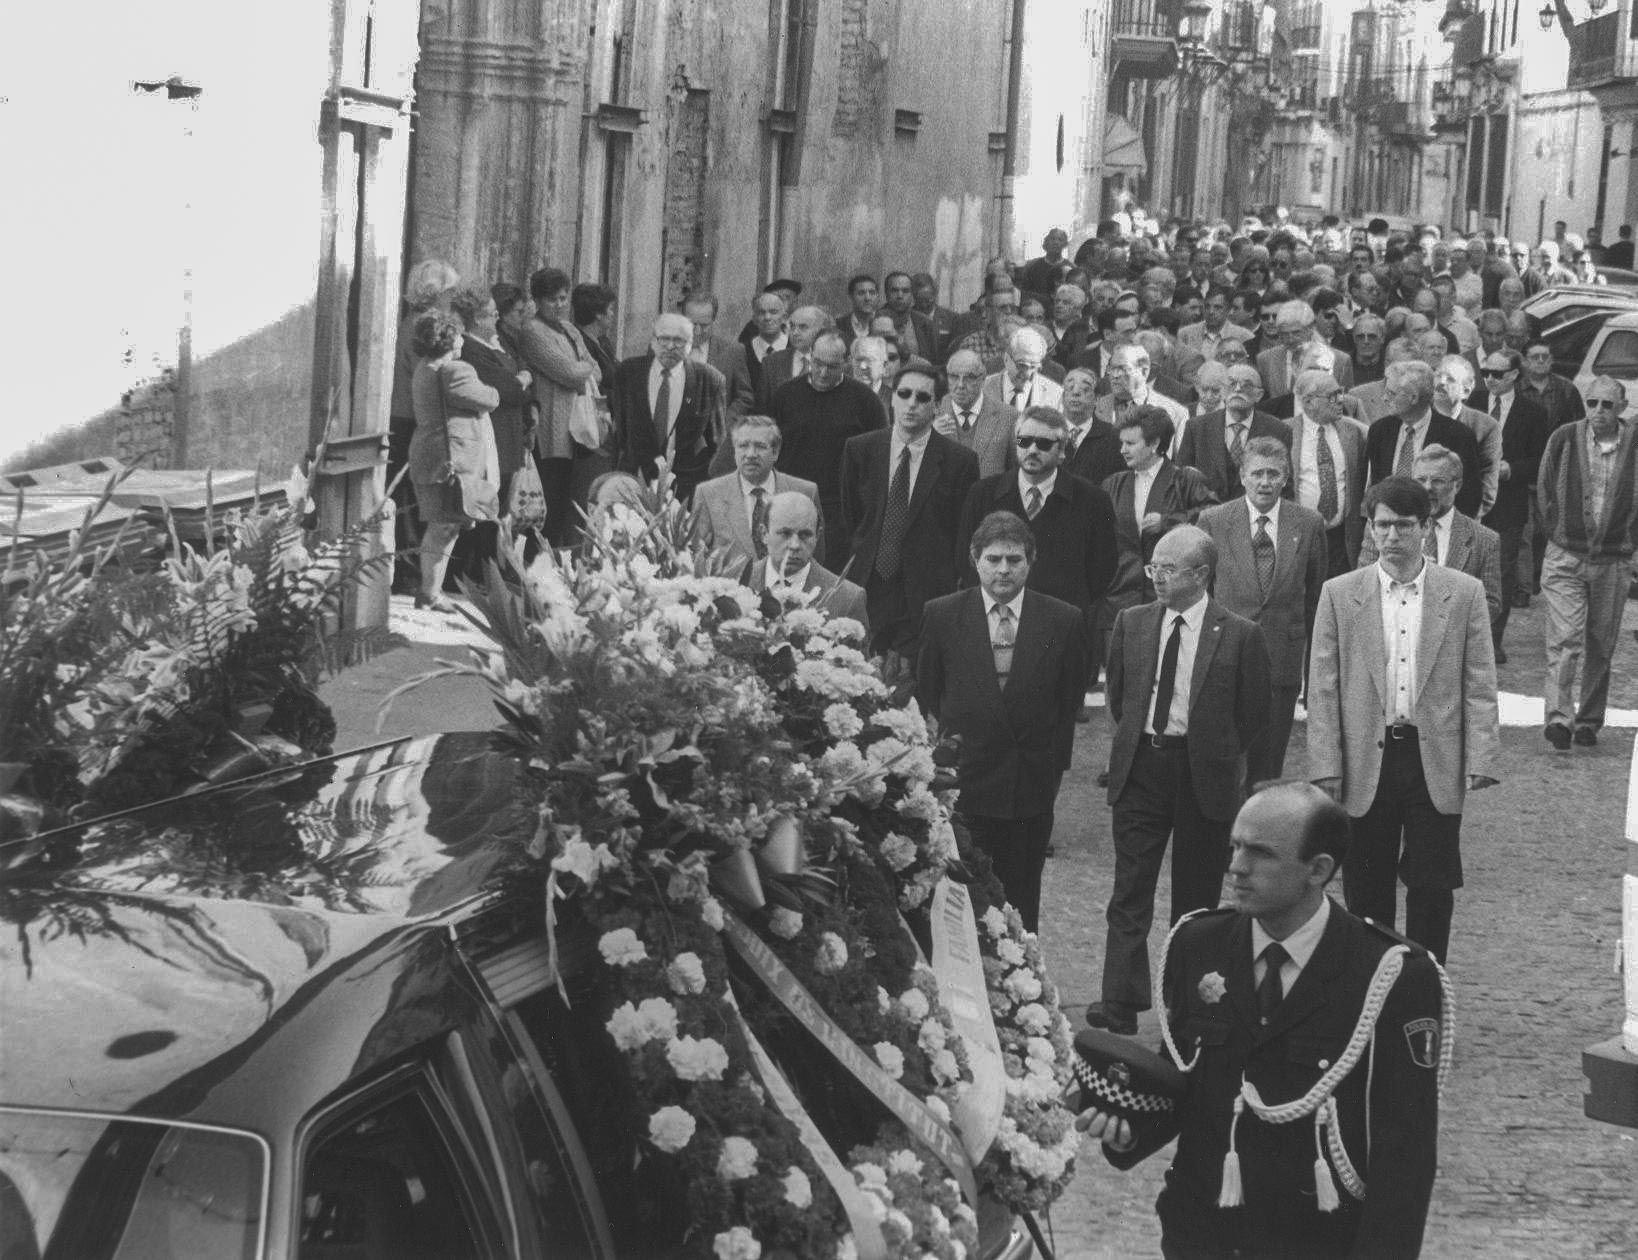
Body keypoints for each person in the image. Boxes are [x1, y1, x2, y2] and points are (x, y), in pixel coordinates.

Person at [1082, 781, 1446, 1260]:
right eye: (1235, 845)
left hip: (1316, 1243)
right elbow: (1183, 1078)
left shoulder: (1389, 973)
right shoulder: (1199, 944)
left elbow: (1405, 1158)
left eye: (1261, 853)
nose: (1236, 866)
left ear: (1318, 870)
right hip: (1203, 1235)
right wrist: (1125, 1129)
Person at [1087, 525, 1272, 1035]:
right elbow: (1122, 700)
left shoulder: (1238, 634)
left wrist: (1218, 751)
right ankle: (1120, 1001)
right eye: (1153, 568)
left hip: (1202, 776)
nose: (1157, 579)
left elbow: (1254, 711)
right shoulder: (1133, 622)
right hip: (1143, 767)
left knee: (1195, 898)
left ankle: (1184, 1006)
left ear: (1201, 575)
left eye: (1168, 570)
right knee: (1130, 889)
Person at [1308, 476, 1500, 964]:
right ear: (1369, 528)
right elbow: (1324, 686)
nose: (1392, 537)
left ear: (1426, 527)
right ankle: (1371, 985)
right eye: (1382, 525)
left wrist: (1480, 756)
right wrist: (1326, 762)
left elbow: (1479, 680)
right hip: (1365, 759)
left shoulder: (1463, 593)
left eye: (1404, 526)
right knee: (1366, 888)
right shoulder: (1339, 594)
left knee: (1433, 885)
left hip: (1431, 756)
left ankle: (1424, 985)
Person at [917, 510, 1086, 932]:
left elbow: (1068, 700)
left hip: (1027, 785)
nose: (1004, 570)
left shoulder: (1061, 620)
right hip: (966, 783)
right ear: (975, 559)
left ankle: (1023, 986)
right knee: (963, 896)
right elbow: (929, 690)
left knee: (1021, 899)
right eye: (993, 559)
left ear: (1031, 561)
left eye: (1014, 559)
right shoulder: (942, 616)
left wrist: (1048, 768)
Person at [1197, 439, 1327, 787]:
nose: (1265, 482)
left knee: (1268, 764)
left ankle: (1261, 836)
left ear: (1286, 478)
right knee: (1224, 758)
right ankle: (1223, 835)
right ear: (1242, 476)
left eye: (1274, 474)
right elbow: (1201, 594)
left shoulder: (1309, 523)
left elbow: (1315, 598)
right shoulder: (1214, 521)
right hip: (1226, 658)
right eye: (1257, 473)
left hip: (1281, 662)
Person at [842, 362, 979, 659]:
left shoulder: (960, 462)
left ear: (938, 405)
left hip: (925, 594)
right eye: (904, 394)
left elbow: (961, 533)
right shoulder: (860, 450)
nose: (912, 404)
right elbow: (850, 519)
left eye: (923, 397)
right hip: (868, 586)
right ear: (892, 397)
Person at [1538, 375, 1638, 750]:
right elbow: (1545, 487)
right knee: (1565, 639)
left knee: (1601, 642)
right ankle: (1559, 717)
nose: (1597, 411)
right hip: (1566, 555)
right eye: (1592, 403)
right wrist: (1560, 532)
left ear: (1622, 408)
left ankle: (1589, 721)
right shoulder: (1564, 438)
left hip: (1613, 560)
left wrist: (1629, 541)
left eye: (1606, 405)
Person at [955, 404, 1118, 622]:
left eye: (1043, 444)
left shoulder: (1093, 501)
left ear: (1061, 451)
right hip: (995, 620)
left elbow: (1103, 570)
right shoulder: (983, 494)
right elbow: (966, 560)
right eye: (1024, 441)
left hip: (1062, 626)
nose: (1032, 450)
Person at [407, 309, 500, 613]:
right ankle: (430, 592)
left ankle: (430, 591)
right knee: (443, 527)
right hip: (450, 461)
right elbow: (488, 399)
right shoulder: (453, 370)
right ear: (448, 338)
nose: (462, 338)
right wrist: (495, 389)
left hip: (431, 457)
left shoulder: (425, 368)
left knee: (444, 526)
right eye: (458, 333)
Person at [771, 330, 887, 568]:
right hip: (791, 499)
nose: (823, 372)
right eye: (818, 364)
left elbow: (879, 460)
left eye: (832, 367)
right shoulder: (785, 395)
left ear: (845, 363)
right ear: (810, 357)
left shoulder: (866, 401)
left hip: (840, 510)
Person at [1359, 445, 1503, 626]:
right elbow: (1364, 585)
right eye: (1420, 479)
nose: (1427, 487)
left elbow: (1491, 604)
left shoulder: (1484, 539)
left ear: (1457, 485)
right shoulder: (1383, 528)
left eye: (1437, 481)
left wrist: (1440, 625)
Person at [1472, 349, 1552, 662]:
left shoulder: (1532, 413)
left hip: (1508, 504)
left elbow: (1539, 460)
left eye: (1497, 374)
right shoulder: (1470, 403)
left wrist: (1511, 470)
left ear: (1515, 375)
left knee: (1501, 572)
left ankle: (1492, 641)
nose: (1489, 378)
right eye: (1486, 372)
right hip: (1470, 501)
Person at [518, 267, 601, 547]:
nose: (559, 305)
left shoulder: (569, 328)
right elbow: (567, 372)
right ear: (538, 301)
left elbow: (597, 370)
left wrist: (584, 368)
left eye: (563, 298)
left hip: (576, 424)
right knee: (549, 498)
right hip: (551, 427)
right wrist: (583, 368)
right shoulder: (532, 330)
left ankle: (554, 557)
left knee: (567, 496)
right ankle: (538, 558)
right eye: (551, 299)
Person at [608, 313, 725, 502]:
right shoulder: (628, 372)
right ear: (653, 341)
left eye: (678, 341)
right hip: (635, 480)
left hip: (686, 485)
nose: (670, 347)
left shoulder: (710, 380)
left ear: (690, 343)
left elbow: (717, 442)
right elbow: (620, 430)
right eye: (664, 339)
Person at [691, 414, 824, 567]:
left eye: (760, 446)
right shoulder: (708, 494)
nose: (751, 454)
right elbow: (697, 557)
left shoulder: (805, 492)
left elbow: (816, 558)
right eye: (743, 446)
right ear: (734, 451)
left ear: (775, 452)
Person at [1365, 360, 1483, 520]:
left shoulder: (1458, 436)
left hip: (1435, 528)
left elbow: (1470, 495)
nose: (1384, 398)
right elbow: (1376, 486)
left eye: (1391, 393)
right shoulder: (1380, 431)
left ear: (1413, 398)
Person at [741, 491, 867, 626]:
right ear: (764, 534)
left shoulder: (848, 599)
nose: (794, 545)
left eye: (805, 535)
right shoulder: (736, 585)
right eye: (785, 533)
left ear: (817, 536)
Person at [1175, 363, 1287, 502]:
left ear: (1259, 395)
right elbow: (1181, 483)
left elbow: (1285, 487)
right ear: (1222, 391)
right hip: (1205, 517)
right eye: (1232, 384)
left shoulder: (1278, 430)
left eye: (1247, 385)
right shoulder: (1197, 427)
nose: (1238, 389)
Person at [933, 348, 1017, 477]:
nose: (960, 385)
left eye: (969, 378)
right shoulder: (931, 414)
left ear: (983, 379)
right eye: (954, 377)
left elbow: (1016, 470)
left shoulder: (1009, 417)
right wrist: (930, 438)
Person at [684, 293, 755, 425]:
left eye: (705, 325)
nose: (697, 331)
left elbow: (745, 397)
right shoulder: (662, 348)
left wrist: (723, 424)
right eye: (691, 324)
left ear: (714, 321)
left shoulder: (732, 351)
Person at [756, 305, 834, 410]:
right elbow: (761, 409)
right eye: (792, 326)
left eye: (803, 327)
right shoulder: (771, 363)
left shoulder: (834, 362)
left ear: (822, 330)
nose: (795, 333)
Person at [984, 326, 1063, 412]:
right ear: (1006, 359)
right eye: (1021, 365)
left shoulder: (1055, 393)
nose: (1027, 374)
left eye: (1034, 367)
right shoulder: (982, 388)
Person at [880, 270, 939, 362]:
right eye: (894, 291)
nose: (900, 295)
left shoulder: (926, 324)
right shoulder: (874, 321)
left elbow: (934, 363)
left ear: (912, 294)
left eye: (905, 291)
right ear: (886, 294)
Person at [742, 289, 789, 394]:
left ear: (784, 318)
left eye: (773, 312)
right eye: (761, 312)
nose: (767, 317)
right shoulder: (743, 353)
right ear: (754, 319)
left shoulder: (795, 350)